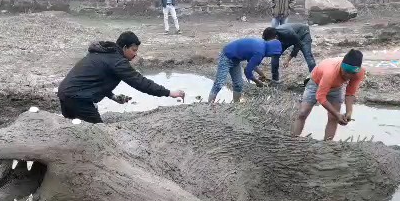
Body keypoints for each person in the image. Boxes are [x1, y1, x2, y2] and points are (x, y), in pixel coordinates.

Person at [57, 31, 185, 123]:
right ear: (124, 47)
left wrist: (113, 97)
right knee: (100, 136)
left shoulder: (105, 53)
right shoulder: (118, 61)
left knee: (73, 131)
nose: (135, 54)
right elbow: (139, 82)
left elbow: (95, 81)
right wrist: (169, 93)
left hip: (65, 93)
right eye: (133, 50)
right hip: (78, 99)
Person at [291, 49, 366, 140]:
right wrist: (337, 114)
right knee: (303, 113)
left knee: (333, 118)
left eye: (352, 73)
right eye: (346, 71)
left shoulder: (359, 73)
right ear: (342, 65)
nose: (348, 76)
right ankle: (293, 140)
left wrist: (349, 112)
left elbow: (350, 93)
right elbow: (320, 96)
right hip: (315, 83)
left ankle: (327, 145)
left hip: (336, 87)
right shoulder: (330, 72)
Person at [208, 28, 282, 103]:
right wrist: (257, 82)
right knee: (219, 83)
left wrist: (261, 74)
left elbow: (251, 63)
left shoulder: (262, 45)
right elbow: (247, 71)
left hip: (235, 59)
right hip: (227, 56)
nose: (272, 56)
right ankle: (209, 104)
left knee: (238, 84)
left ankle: (236, 104)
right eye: (273, 54)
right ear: (271, 50)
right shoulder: (260, 52)